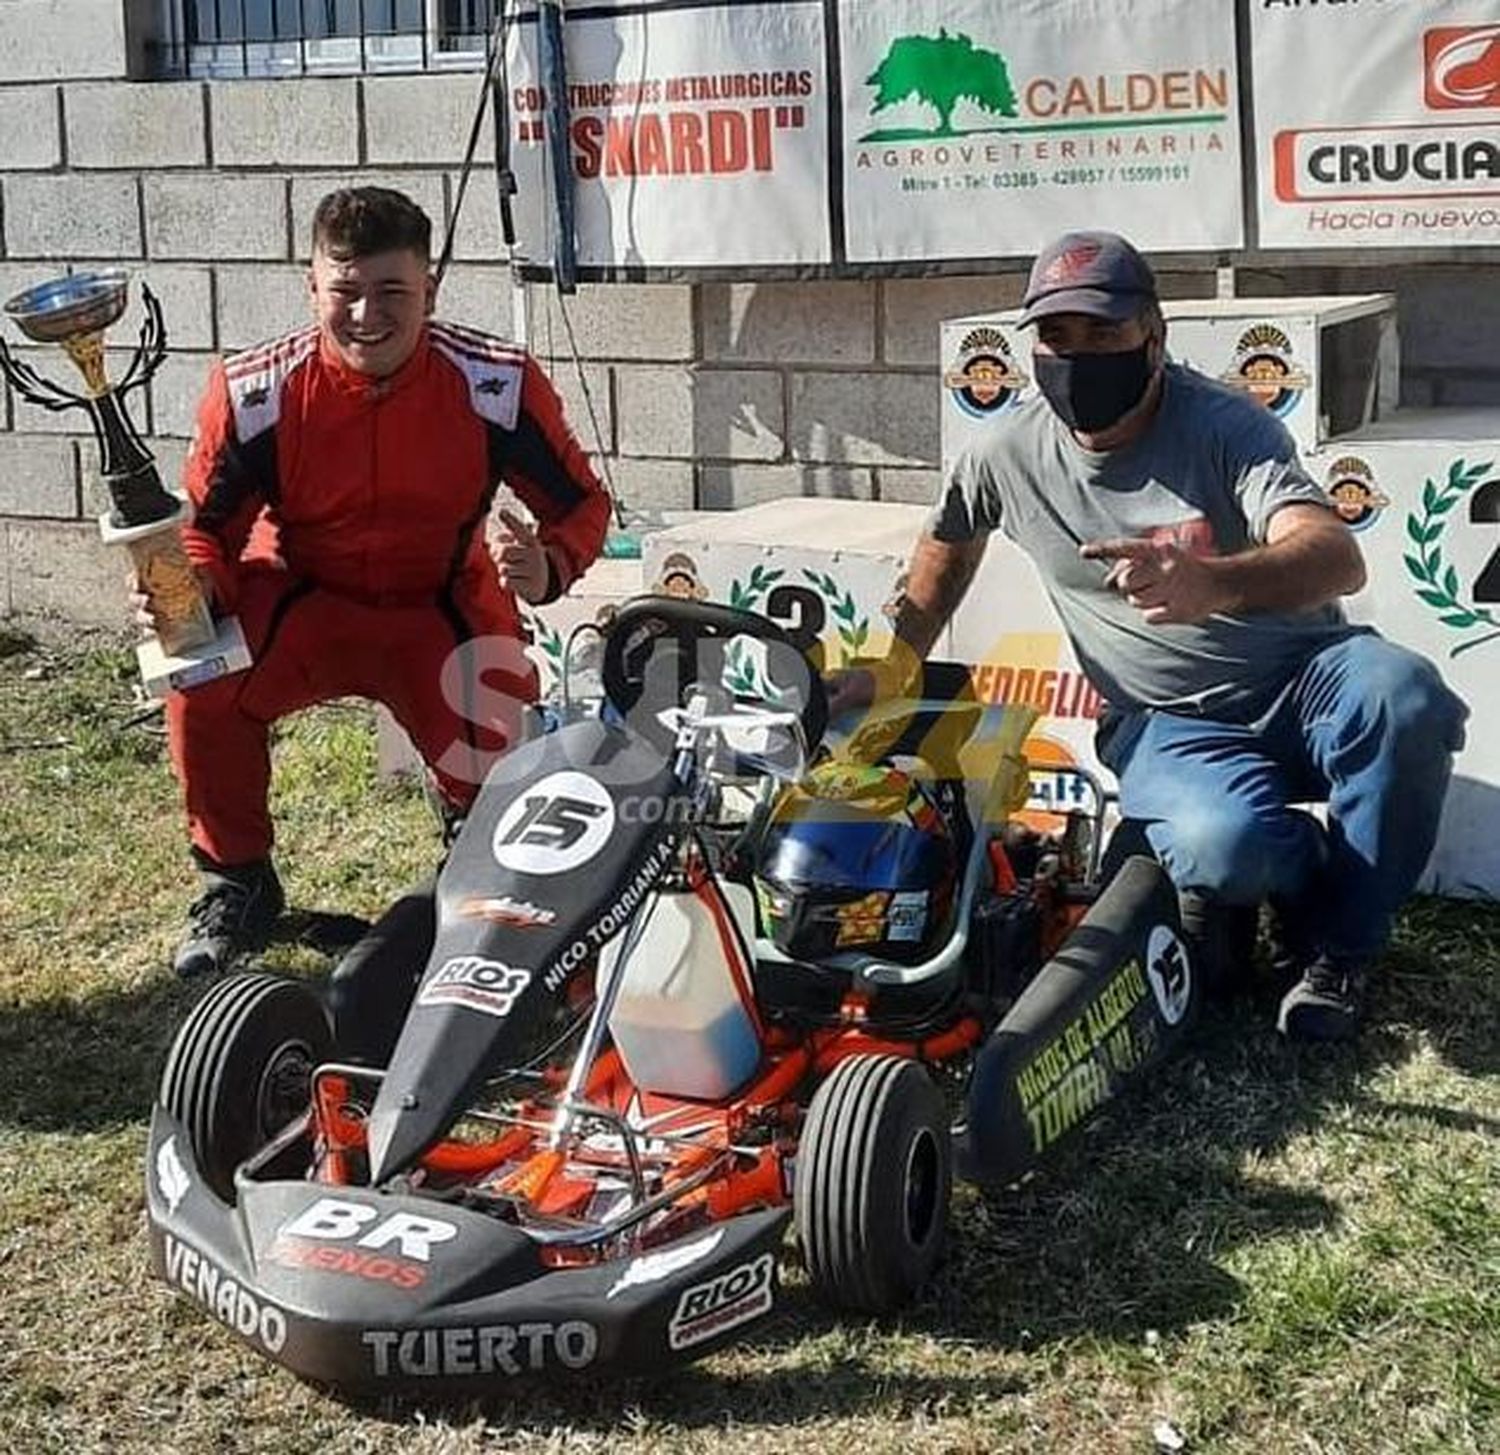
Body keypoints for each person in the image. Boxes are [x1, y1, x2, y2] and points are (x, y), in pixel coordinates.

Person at [831, 230, 1467, 1042]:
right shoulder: (1005, 451)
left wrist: (1216, 583)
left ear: (1154, 337)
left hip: (1306, 680)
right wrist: (893, 662)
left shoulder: (1228, 426)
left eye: (1105, 331)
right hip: (1169, 717)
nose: (1078, 354)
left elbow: (1336, 555)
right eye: (1057, 336)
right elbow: (947, 545)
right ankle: (1300, 871)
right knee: (1221, 844)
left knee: (1402, 694)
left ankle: (1339, 950)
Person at [156, 186, 611, 978]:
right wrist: (185, 590)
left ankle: (470, 842)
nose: (367, 315)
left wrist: (549, 565)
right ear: (312, 287)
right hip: (303, 594)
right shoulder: (255, 391)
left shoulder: (496, 383)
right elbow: (205, 529)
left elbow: (582, 503)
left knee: (502, 762)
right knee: (198, 676)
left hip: (438, 600)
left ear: (430, 289)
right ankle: (237, 880)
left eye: (392, 292)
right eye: (347, 292)